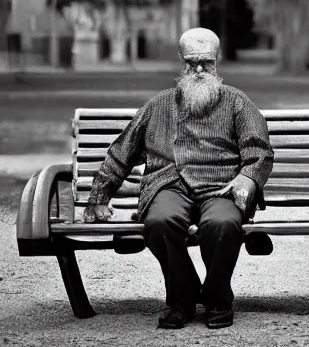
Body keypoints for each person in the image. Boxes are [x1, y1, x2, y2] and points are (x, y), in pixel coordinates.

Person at [82, 27, 274, 330]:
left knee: (222, 224)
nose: (198, 70)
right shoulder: (158, 104)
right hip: (167, 184)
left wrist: (247, 179)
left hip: (220, 187)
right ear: (181, 61)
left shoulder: (238, 103)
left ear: (217, 61)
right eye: (191, 62)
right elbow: (122, 151)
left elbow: (260, 152)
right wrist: (98, 197)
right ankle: (181, 300)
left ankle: (217, 299)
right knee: (159, 222)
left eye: (206, 63)